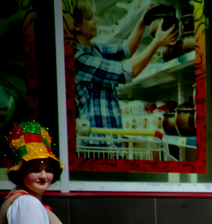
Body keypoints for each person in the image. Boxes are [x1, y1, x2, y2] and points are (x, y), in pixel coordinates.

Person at [70, 0, 177, 134]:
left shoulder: (95, 49)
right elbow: (128, 71)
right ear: (76, 25)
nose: (96, 21)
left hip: (111, 135)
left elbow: (126, 49)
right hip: (96, 139)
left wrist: (143, 20)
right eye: (90, 18)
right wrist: (156, 43)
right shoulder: (80, 58)